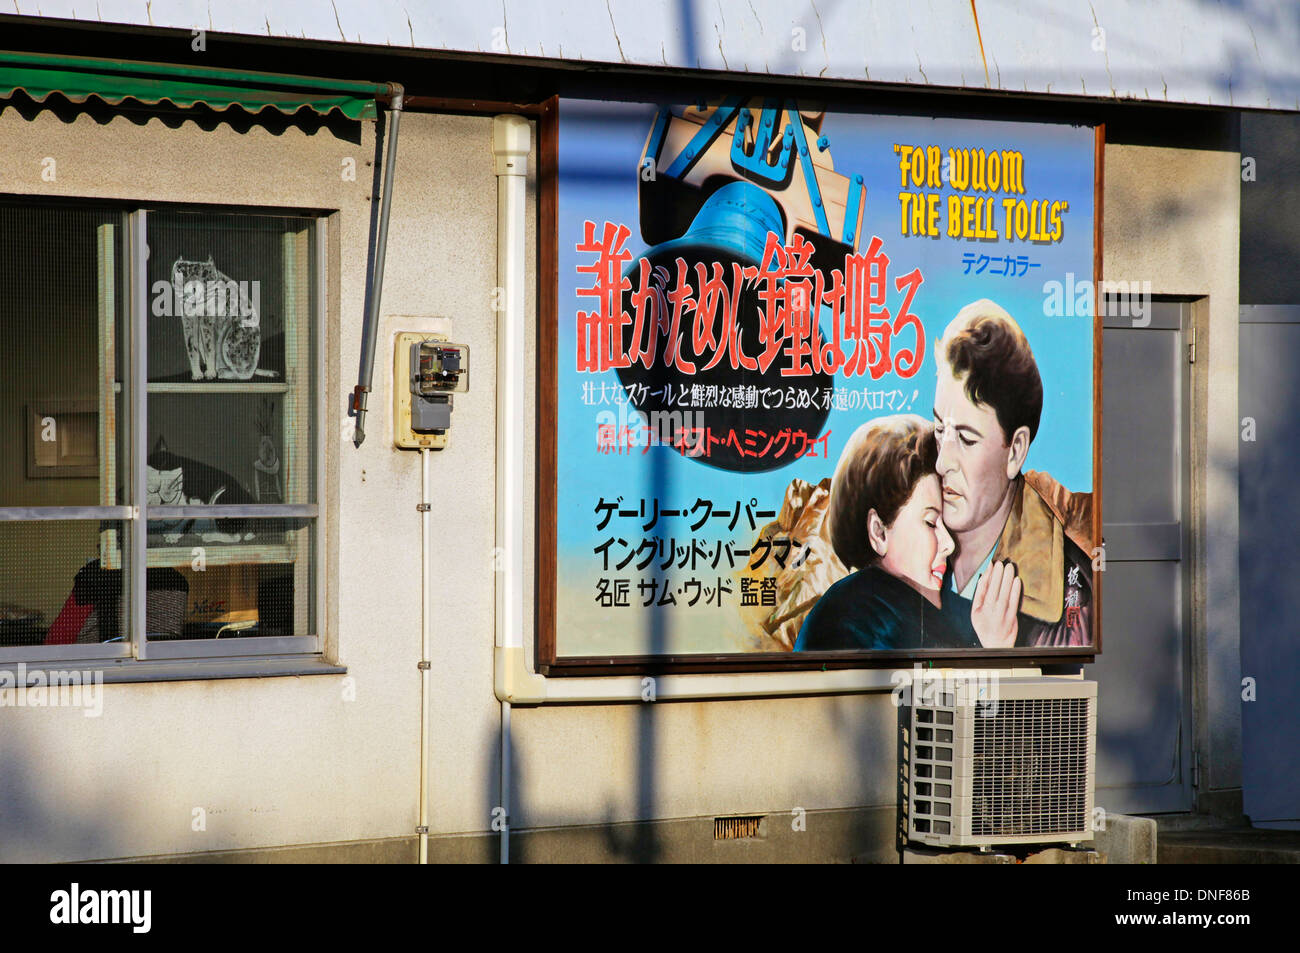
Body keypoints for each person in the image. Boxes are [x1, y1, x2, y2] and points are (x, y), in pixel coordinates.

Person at [931, 299, 1093, 647]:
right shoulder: (911, 549)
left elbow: (1054, 698)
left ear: (1016, 450)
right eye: (938, 430)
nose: (942, 462)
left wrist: (1003, 657)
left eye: (966, 438)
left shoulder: (1069, 587)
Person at [795, 415, 1020, 651]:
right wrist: (994, 649)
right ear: (879, 532)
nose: (948, 544)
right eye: (931, 523)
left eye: (947, 523)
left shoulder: (964, 613)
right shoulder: (847, 623)